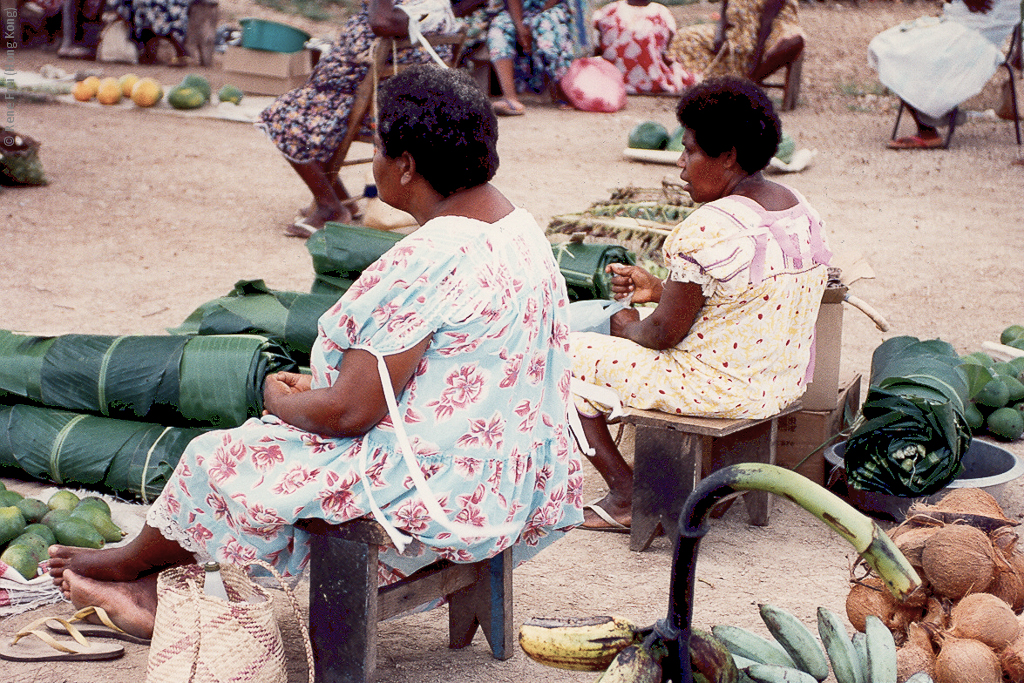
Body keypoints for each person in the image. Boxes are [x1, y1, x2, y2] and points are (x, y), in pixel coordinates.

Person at [48, 64, 584, 638]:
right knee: (287, 440)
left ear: (405, 165)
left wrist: (278, 404)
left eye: (378, 145)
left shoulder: (430, 256)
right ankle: (152, 578)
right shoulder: (519, 229)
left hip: (441, 490)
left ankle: (134, 565)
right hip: (517, 476)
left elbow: (351, 413)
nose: (375, 163)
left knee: (220, 454)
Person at [571, 77, 831, 531]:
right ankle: (712, 492)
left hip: (718, 389)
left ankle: (627, 494)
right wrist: (658, 288)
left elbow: (662, 335)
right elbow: (742, 304)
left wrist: (628, 324)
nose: (680, 165)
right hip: (780, 382)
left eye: (690, 151)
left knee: (557, 358)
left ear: (728, 155)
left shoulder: (709, 226)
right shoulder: (799, 208)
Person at [256, 0, 459, 238]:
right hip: (378, 92)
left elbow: (380, 23)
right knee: (309, 108)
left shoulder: (399, 12)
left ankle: (330, 208)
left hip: (375, 101)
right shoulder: (428, 7)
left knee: (283, 116)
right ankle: (340, 199)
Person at [868, 0, 1022, 150]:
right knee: (885, 45)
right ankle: (936, 114)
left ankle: (928, 130)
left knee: (891, 51)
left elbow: (983, 12)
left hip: (975, 41)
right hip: (959, 29)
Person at [664, 0, 804, 84]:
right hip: (737, 31)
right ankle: (707, 83)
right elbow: (724, 9)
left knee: (792, 42)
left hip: (772, 29)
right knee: (685, 37)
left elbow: (766, 25)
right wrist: (719, 36)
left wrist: (755, 63)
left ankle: (752, 81)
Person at [485, 0, 577, 115]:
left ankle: (562, 92)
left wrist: (534, 21)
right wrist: (520, 27)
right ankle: (510, 97)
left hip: (552, 6)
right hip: (522, 11)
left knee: (546, 24)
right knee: (499, 27)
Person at [592, 0, 697, 95]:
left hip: (611, 79)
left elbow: (597, 46)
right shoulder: (661, 12)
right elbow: (665, 48)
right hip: (653, 78)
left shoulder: (609, 10)